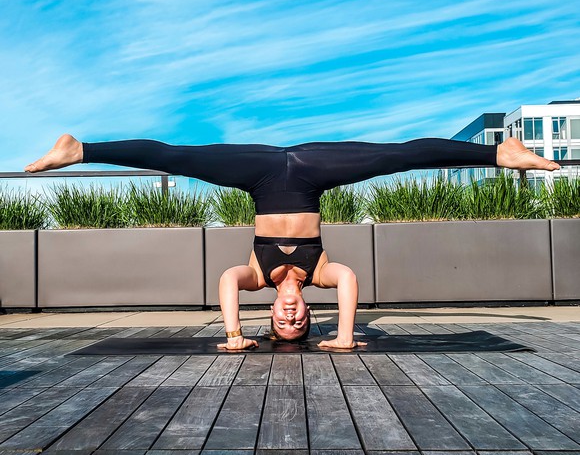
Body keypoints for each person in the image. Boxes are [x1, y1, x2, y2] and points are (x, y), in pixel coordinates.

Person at [25, 134, 560, 349]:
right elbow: (349, 280)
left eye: (281, 321)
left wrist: (234, 332)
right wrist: (345, 336)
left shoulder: (256, 278)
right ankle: (499, 155)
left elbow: (225, 281)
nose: (291, 314)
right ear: (307, 313)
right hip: (310, 170)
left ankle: (80, 148)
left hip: (257, 174)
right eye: (299, 320)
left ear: (272, 316)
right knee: (396, 157)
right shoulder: (323, 272)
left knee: (177, 156)